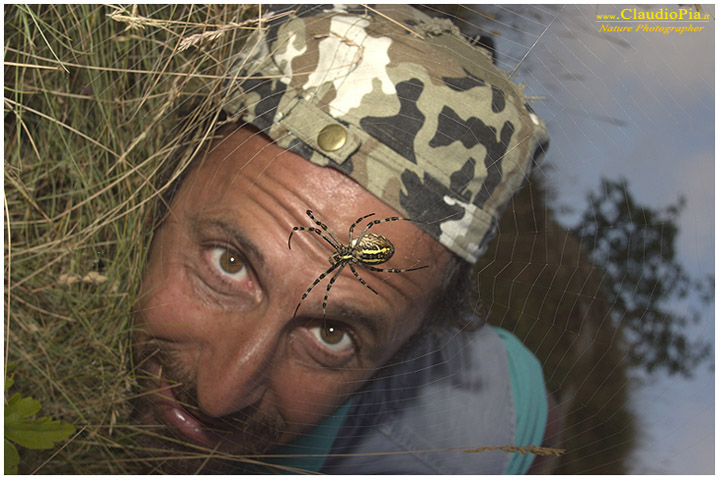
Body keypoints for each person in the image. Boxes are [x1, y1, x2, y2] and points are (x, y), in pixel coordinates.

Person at [131, 4, 553, 474]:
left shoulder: (455, 444)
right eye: (229, 264)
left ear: (411, 346)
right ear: (167, 179)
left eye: (332, 336)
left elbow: (530, 407)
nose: (220, 395)